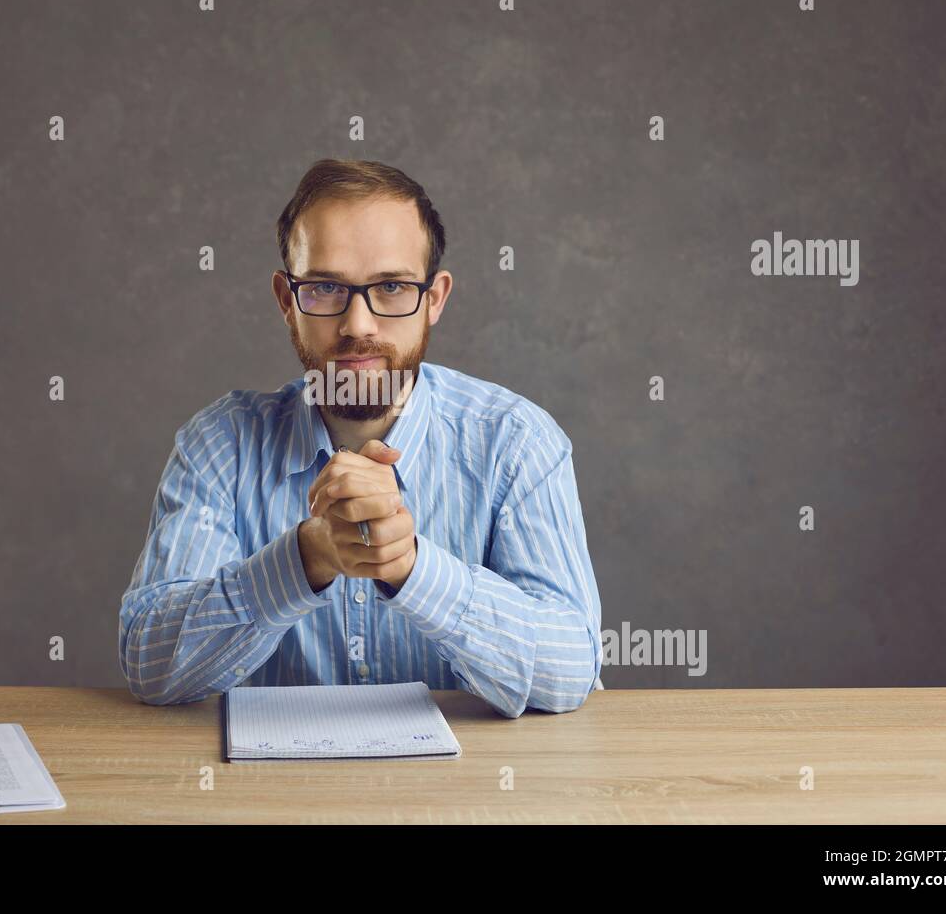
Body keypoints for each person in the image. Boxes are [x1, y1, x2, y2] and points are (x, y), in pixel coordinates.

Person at [118, 158, 602, 718]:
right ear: (285, 300)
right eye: (325, 287)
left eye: (392, 287)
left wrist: (411, 567)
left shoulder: (516, 442)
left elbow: (570, 670)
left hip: (468, 802)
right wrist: (305, 559)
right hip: (270, 802)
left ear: (434, 299)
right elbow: (151, 666)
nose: (358, 325)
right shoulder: (218, 444)